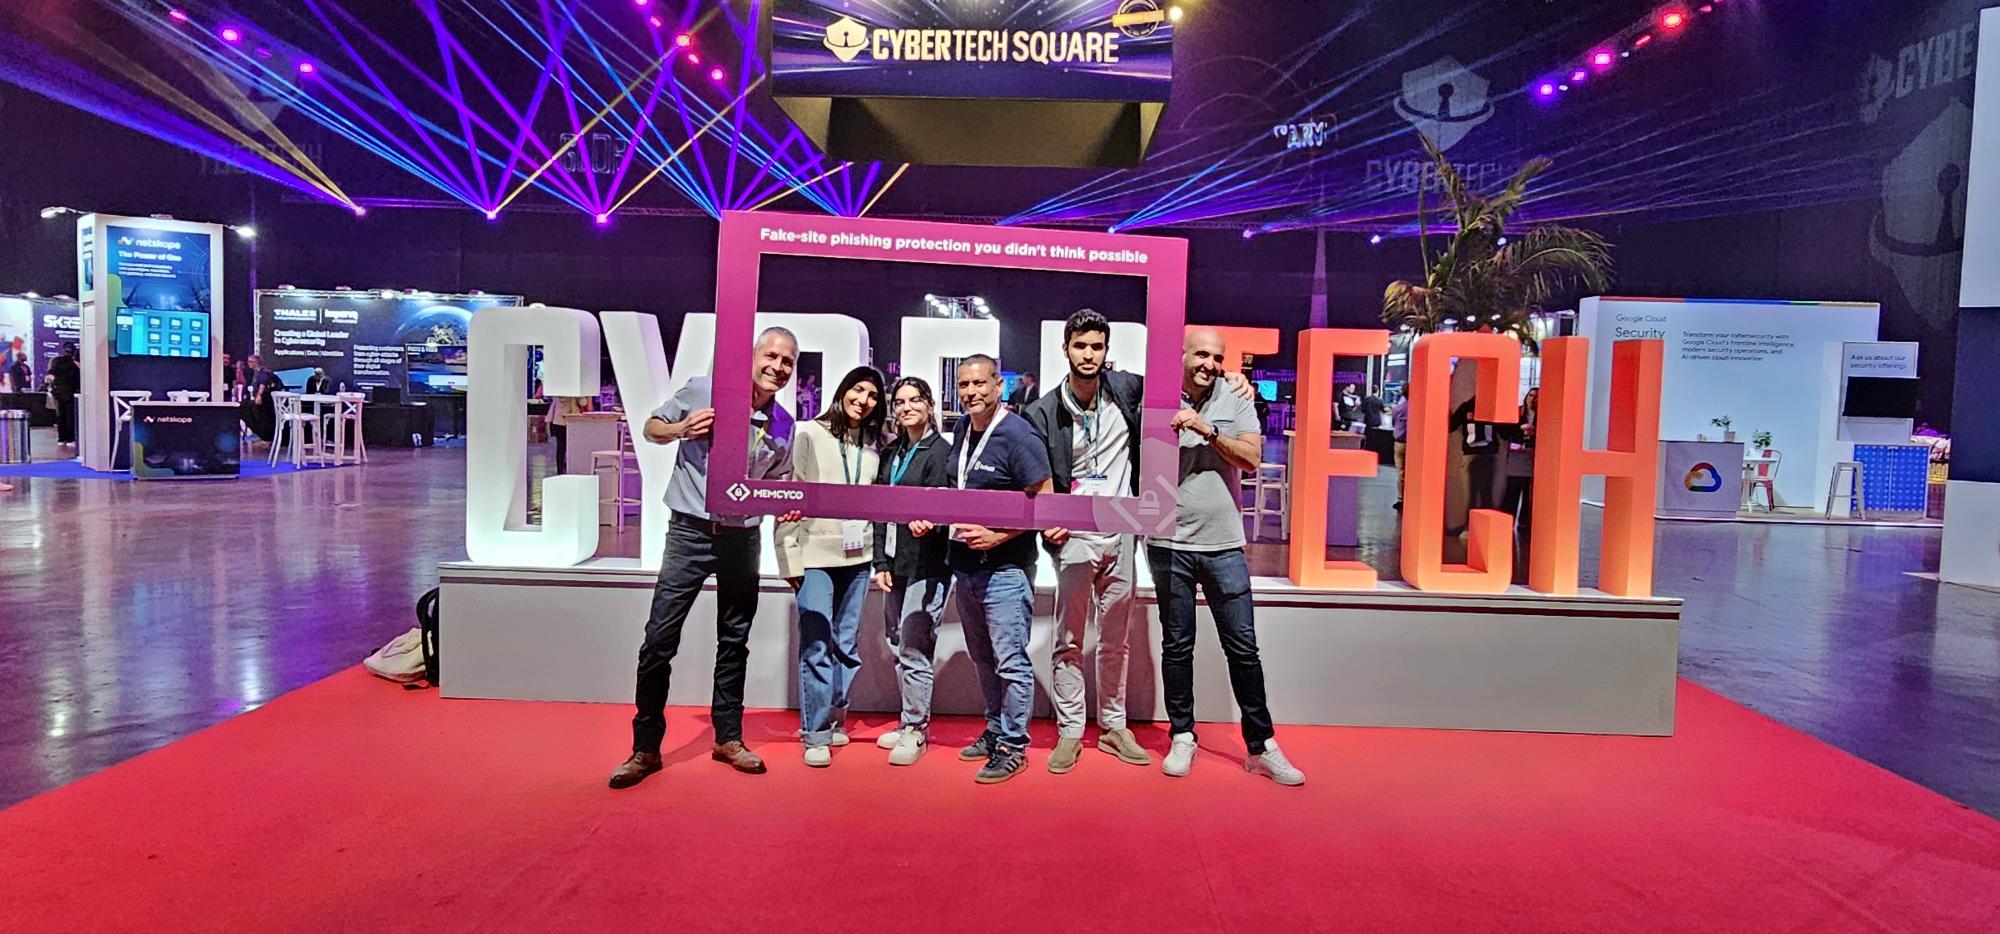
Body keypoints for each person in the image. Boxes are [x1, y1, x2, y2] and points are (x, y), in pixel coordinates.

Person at [608, 327, 802, 790]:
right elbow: (651, 427)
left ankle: (728, 738)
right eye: (771, 356)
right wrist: (681, 429)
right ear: (751, 355)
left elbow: (778, 481)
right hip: (689, 533)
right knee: (659, 640)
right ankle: (645, 748)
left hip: (743, 538)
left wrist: (786, 500)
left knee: (734, 640)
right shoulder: (703, 390)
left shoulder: (783, 424)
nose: (777, 367)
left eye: (787, 362)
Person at [1148, 328, 1305, 786]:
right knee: (1177, 646)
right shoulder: (1155, 395)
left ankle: (1261, 745)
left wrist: (1208, 430)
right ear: (1181, 355)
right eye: (1201, 354)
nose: (1210, 364)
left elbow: (1251, 459)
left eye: (1218, 357)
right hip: (1169, 543)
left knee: (1243, 648)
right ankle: (1183, 735)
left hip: (1223, 544)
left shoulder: (1235, 396)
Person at [1021, 309, 1153, 772]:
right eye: (1080, 346)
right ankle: (1071, 731)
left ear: (1106, 350)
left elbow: (1179, 384)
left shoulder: (1127, 389)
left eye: (1097, 346)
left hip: (1121, 534)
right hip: (1074, 537)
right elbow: (1030, 474)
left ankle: (1114, 726)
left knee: (1116, 639)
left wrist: (1234, 382)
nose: (1089, 354)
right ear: (1066, 350)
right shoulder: (1041, 411)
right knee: (1070, 639)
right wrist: (1047, 519)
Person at [946, 354, 1053, 784]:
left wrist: (998, 536)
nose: (971, 392)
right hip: (965, 567)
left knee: (1010, 662)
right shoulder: (961, 428)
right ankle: (995, 730)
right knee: (983, 659)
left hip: (1006, 570)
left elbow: (1046, 502)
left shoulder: (1019, 435)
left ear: (998, 386)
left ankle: (1013, 746)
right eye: (964, 385)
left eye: (979, 384)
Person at [779, 365, 886, 768]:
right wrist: (788, 558)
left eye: (872, 395)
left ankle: (836, 715)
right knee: (817, 642)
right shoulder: (808, 433)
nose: (864, 400)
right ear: (842, 391)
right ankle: (815, 732)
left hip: (858, 556)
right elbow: (789, 498)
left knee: (846, 643)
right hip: (814, 555)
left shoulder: (873, 445)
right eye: (858, 390)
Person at [870, 376, 953, 766]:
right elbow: (879, 510)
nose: (907, 408)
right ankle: (908, 721)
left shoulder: (942, 453)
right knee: (897, 642)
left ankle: (916, 729)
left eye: (915, 400)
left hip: (928, 566)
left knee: (914, 647)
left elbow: (947, 513)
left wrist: (932, 523)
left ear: (930, 405)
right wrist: (880, 562)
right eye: (900, 402)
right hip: (894, 563)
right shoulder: (891, 453)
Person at [241, 355, 285, 443]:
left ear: (256, 362)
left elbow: (262, 384)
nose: (248, 363)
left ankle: (261, 435)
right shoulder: (255, 372)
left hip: (263, 401)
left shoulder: (263, 372)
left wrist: (259, 396)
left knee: (257, 416)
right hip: (254, 399)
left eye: (251, 361)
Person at [548, 395, 592, 474]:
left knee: (560, 447)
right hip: (571, 420)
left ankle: (560, 470)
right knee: (572, 447)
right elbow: (583, 403)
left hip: (558, 419)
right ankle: (571, 468)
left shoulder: (559, 391)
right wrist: (588, 397)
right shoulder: (575, 392)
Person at [49, 344, 80, 450]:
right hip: (70, 393)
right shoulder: (74, 365)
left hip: (58, 393)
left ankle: (61, 439)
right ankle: (70, 439)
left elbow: (50, 375)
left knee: (61, 416)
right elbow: (78, 380)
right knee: (70, 416)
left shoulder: (56, 362)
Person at [1390, 392, 1410, 511]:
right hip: (1414, 445)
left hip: (1399, 443)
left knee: (1401, 473)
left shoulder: (1398, 408)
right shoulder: (1418, 408)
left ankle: (1401, 499)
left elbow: (1393, 423)